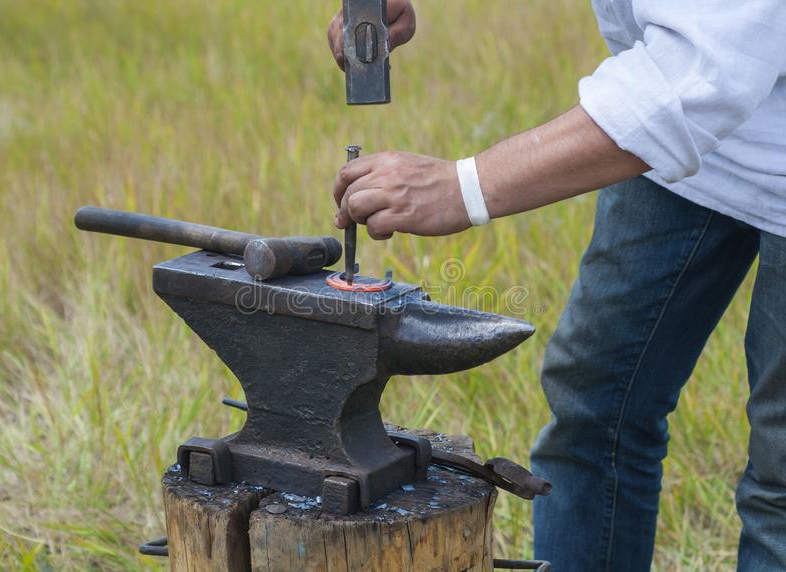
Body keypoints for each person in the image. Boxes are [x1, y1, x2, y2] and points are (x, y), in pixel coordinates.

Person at [328, 1, 786, 570]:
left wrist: (462, 187)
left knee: (781, 479)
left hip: (688, 93)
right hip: (689, 137)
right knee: (594, 405)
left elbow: (705, 73)